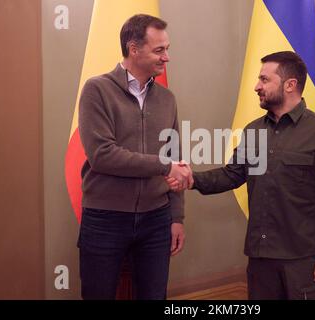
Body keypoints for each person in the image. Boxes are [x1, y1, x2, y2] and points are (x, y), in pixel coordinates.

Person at [166, 51, 315, 300]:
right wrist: (191, 178)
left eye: (264, 79)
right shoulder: (253, 130)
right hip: (260, 258)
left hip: (304, 259)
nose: (256, 86)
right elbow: (232, 175)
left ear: (290, 85)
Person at [77, 14, 191, 300]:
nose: (167, 58)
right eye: (159, 50)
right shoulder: (97, 90)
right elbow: (103, 155)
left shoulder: (168, 99)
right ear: (133, 49)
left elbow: (175, 158)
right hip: (105, 218)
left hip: (157, 219)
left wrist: (176, 217)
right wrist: (164, 165)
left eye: (167, 49)